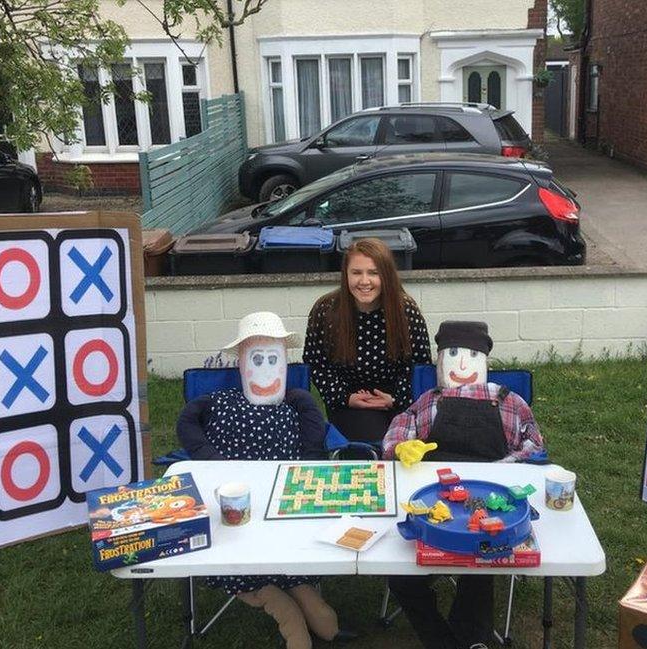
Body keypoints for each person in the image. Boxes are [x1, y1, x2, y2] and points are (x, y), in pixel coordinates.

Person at [176, 312, 354, 649]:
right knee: (279, 600)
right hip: (234, 509)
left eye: (273, 359)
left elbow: (314, 438)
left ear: (285, 362)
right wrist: (210, 459)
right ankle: (280, 610)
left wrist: (311, 463)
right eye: (256, 360)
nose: (265, 369)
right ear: (241, 364)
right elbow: (187, 422)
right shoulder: (218, 402)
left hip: (283, 505)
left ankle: (321, 619)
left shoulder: (295, 402)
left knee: (304, 588)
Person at [381, 321, 545, 649]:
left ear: (484, 360)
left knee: (481, 555)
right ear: (440, 361)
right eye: (452, 354)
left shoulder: (509, 403)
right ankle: (444, 640)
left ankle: (471, 635)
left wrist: (508, 468)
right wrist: (401, 447)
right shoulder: (429, 400)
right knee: (395, 565)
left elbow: (535, 446)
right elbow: (399, 430)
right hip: (433, 499)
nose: (461, 365)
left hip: (487, 499)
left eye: (471, 355)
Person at [303, 238, 431, 444]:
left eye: (373, 273)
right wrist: (345, 397)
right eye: (356, 272)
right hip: (348, 399)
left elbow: (419, 366)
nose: (364, 281)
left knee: (407, 443)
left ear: (386, 275)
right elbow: (316, 363)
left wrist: (395, 399)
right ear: (346, 275)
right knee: (375, 443)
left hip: (398, 399)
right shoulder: (326, 310)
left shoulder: (406, 310)